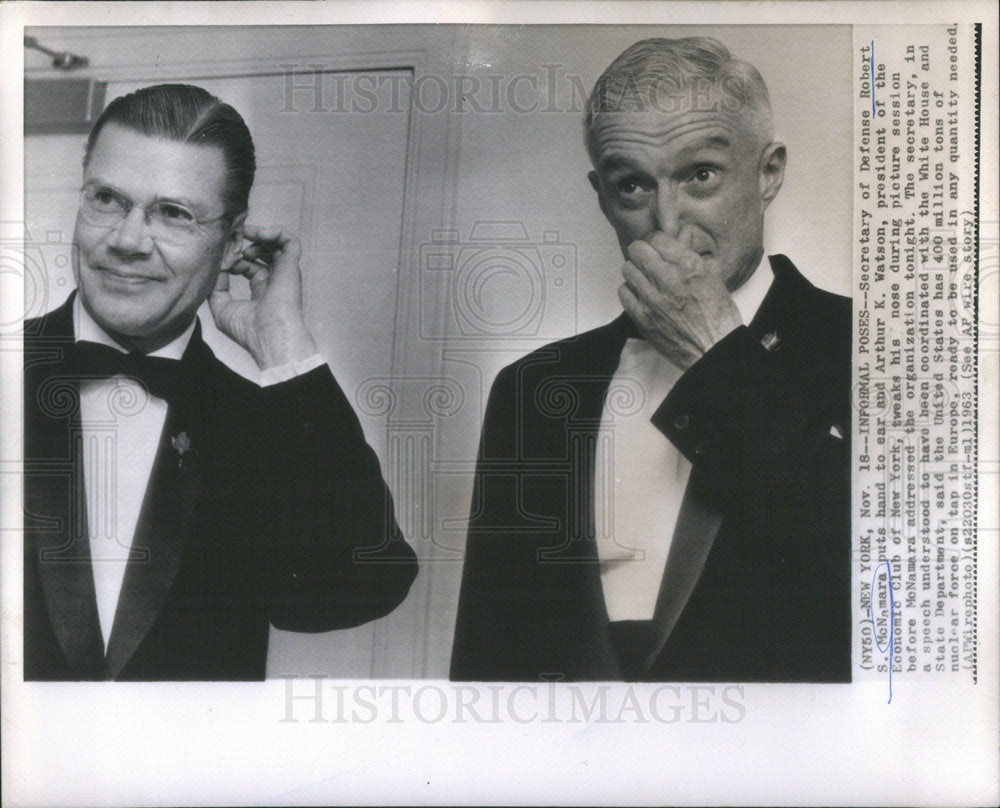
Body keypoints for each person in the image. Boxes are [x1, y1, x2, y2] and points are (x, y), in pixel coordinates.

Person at [451, 38, 851, 682]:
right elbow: (489, 651)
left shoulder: (873, 346)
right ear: (601, 196)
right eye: (632, 184)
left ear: (768, 172)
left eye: (701, 175)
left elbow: (898, 594)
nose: (666, 223)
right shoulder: (532, 388)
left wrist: (722, 358)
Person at [23, 84, 417, 681]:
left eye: (174, 213)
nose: (128, 241)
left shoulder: (265, 423)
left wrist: (284, 344)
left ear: (232, 241)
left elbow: (360, 584)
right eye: (108, 199)